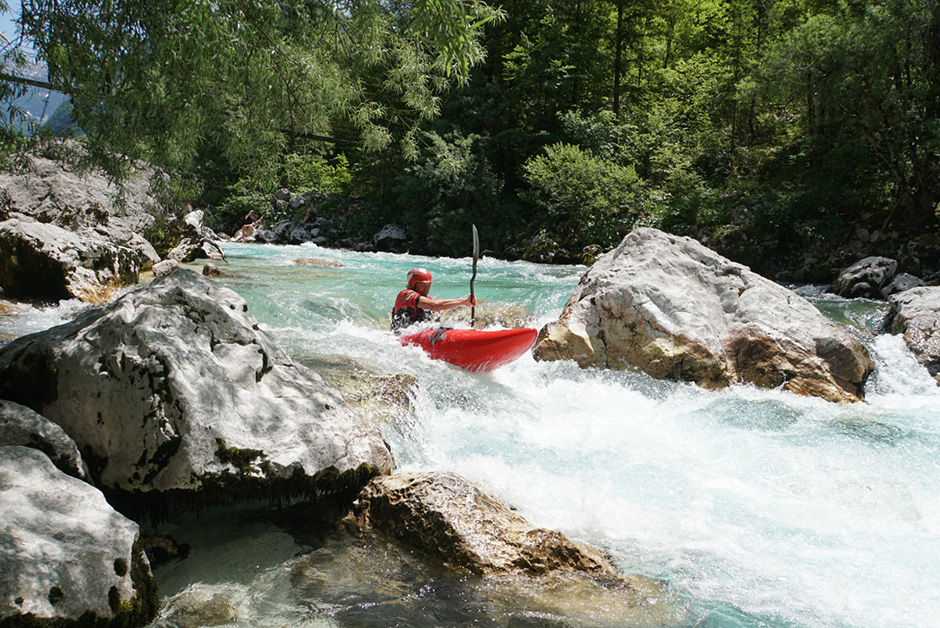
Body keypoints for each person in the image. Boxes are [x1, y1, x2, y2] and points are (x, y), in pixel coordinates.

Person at [391, 267, 476, 332]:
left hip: (419, 335)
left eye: (428, 285)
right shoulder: (405, 295)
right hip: (400, 336)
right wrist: (463, 301)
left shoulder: (430, 300)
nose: (426, 289)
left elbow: (436, 315)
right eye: (422, 285)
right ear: (413, 284)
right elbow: (433, 305)